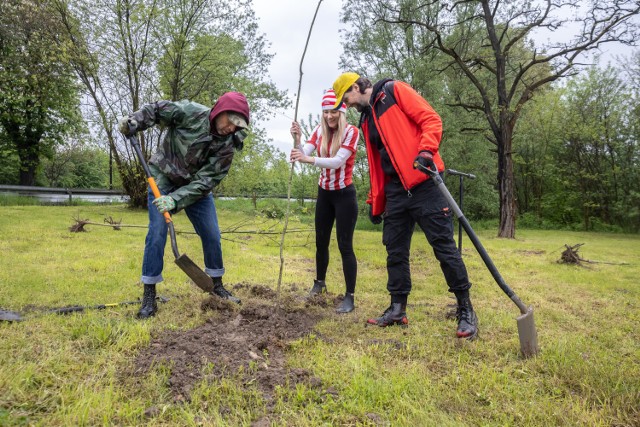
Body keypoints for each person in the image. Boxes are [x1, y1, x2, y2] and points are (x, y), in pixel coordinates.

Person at [332, 72, 478, 339]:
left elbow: (431, 119)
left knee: (444, 248)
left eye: (347, 98)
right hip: (396, 192)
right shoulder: (366, 120)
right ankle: (397, 308)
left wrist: (425, 151)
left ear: (356, 87)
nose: (348, 105)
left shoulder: (394, 91)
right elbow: (378, 164)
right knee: (395, 251)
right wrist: (375, 199)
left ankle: (465, 309)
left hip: (425, 181)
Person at [118, 92, 249, 318]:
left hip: (195, 187)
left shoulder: (228, 145)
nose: (231, 129)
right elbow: (158, 110)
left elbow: (206, 181)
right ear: (220, 112)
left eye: (237, 126)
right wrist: (136, 121)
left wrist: (177, 199)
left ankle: (216, 285)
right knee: (157, 232)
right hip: (164, 176)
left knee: (211, 234)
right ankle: (149, 294)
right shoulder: (190, 112)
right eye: (230, 121)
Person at [289, 89, 359, 313]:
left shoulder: (351, 132)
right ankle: (319, 283)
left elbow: (337, 162)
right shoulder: (320, 130)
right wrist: (298, 140)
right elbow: (303, 152)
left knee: (345, 246)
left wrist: (307, 159)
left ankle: (349, 296)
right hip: (324, 194)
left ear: (342, 112)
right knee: (321, 242)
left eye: (334, 111)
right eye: (326, 111)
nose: (330, 116)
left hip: (344, 195)